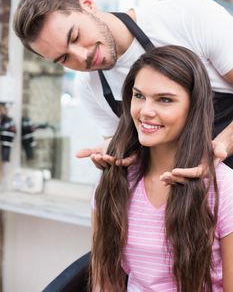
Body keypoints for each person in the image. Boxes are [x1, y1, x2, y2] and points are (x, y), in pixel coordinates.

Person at [13, 0, 233, 180]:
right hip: (189, 196)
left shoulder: (189, 17)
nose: (82, 57)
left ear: (87, 4)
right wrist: (115, 150)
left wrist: (221, 145)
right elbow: (136, 144)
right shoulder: (90, 87)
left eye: (75, 36)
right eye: (64, 58)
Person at [91, 45, 233, 292]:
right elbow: (105, 282)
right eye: (139, 96)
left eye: (164, 100)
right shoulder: (113, 180)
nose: (145, 111)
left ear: (194, 108)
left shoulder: (225, 188)